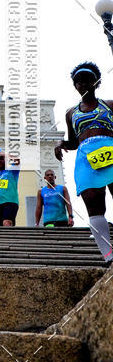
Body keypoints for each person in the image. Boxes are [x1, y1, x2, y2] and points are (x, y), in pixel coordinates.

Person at [55, 61, 113, 264]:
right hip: (86, 158)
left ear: (96, 82)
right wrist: (61, 144)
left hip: (110, 151)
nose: (82, 84)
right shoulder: (71, 113)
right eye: (78, 81)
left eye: (87, 79)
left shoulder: (110, 105)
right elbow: (73, 141)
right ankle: (108, 255)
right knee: (93, 205)